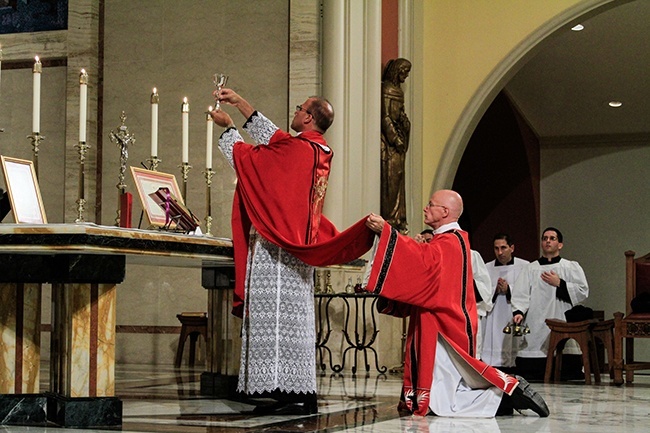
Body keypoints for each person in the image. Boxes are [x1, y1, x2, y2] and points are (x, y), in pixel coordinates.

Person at [210, 88, 374, 415]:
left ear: (309, 117)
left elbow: (254, 165)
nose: (296, 111)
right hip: (296, 246)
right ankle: (295, 390)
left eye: (300, 108)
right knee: (290, 322)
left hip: (277, 250)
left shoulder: (299, 151)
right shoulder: (316, 149)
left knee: (275, 320)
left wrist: (229, 130)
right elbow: (277, 139)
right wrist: (241, 102)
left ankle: (288, 392)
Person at [363, 189, 549, 417]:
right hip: (437, 319)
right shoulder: (448, 240)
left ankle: (509, 393)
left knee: (447, 397)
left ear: (444, 211)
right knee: (443, 387)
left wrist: (388, 232)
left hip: (441, 325)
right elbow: (425, 264)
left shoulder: (451, 241)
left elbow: (424, 265)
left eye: (430, 204)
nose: (425, 208)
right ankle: (508, 390)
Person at [511, 227, 589, 380]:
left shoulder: (569, 267)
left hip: (561, 315)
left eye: (552, 238)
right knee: (534, 350)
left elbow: (582, 292)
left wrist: (560, 283)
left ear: (560, 244)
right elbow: (520, 293)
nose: (547, 241)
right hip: (536, 318)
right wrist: (518, 312)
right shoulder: (531, 268)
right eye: (545, 238)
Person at [482, 234, 529, 371]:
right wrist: (495, 290)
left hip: (513, 313)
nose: (500, 252)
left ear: (512, 248)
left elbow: (527, 291)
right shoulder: (486, 267)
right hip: (493, 315)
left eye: (503, 248)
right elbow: (482, 291)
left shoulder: (524, 266)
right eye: (496, 248)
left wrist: (509, 289)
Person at [380, 58, 411, 234]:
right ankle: (391, 217)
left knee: (399, 178)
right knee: (391, 180)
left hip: (398, 141)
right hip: (390, 144)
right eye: (404, 71)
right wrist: (395, 139)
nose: (405, 75)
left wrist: (405, 123)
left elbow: (398, 115)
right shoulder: (387, 90)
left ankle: (399, 218)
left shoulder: (398, 91)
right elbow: (385, 117)